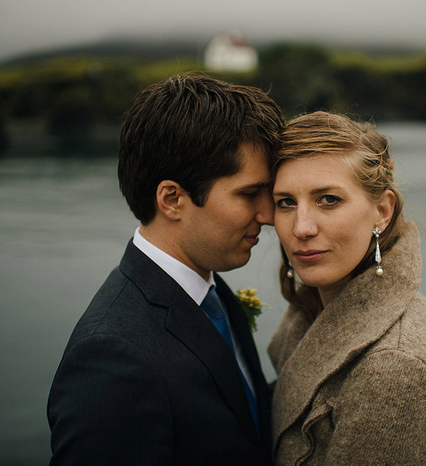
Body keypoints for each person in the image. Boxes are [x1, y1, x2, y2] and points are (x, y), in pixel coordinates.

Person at [47, 73, 284, 465]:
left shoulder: (213, 294)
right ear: (172, 199)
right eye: (249, 194)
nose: (269, 214)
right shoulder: (112, 359)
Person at [268, 111, 426, 465]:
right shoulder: (312, 309)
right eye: (286, 202)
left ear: (382, 211)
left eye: (328, 199)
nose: (300, 227)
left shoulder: (396, 367)